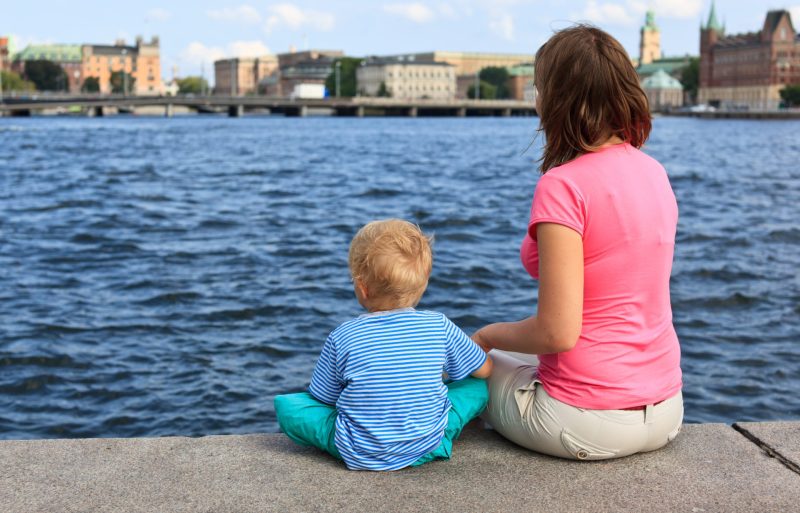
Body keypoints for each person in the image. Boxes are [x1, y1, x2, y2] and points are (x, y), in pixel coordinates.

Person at [471, 25, 683, 460]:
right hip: (666, 411)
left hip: (586, 422)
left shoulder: (563, 186)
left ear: (557, 99)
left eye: (540, 88)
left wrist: (486, 336)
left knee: (468, 364)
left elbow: (557, 332)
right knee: (508, 358)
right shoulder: (654, 172)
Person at [274, 219, 493, 471]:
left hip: (359, 450)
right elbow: (484, 370)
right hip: (428, 443)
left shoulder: (342, 335)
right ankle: (435, 439)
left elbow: (324, 398)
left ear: (362, 289)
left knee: (289, 407)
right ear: (423, 285)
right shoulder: (438, 324)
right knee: (476, 388)